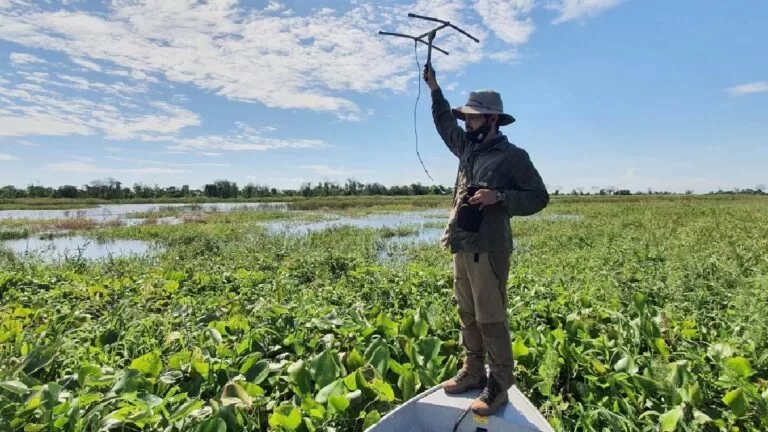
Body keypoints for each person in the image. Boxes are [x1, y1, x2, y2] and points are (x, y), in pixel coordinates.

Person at [423, 64, 549, 416]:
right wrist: (435, 89)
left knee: (491, 316)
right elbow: (444, 124)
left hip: (489, 248)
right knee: (467, 312)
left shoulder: (513, 157)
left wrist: (499, 197)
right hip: (461, 245)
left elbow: (539, 197)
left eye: (474, 118)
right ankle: (474, 370)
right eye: (466, 117)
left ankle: (499, 384)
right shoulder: (467, 149)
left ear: (493, 119)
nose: (467, 123)